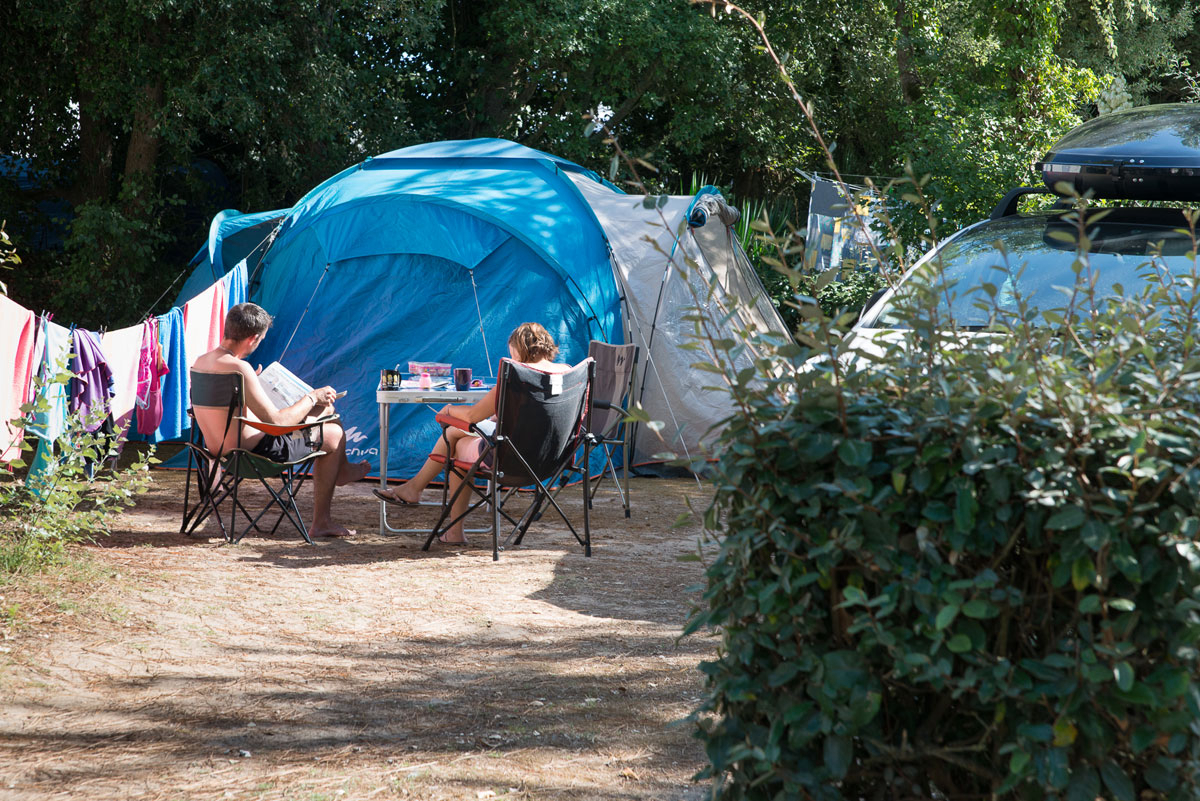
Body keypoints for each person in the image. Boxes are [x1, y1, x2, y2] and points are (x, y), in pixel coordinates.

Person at [374, 322, 571, 544]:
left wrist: (449, 410)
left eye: (512, 352)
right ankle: (416, 492)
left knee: (455, 438)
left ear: (519, 348)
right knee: (463, 433)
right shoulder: (569, 373)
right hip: (552, 460)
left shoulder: (515, 375)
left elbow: (471, 417)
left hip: (510, 459)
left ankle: (442, 518)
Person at [192, 302, 370, 538]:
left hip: (218, 453)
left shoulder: (201, 362)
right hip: (254, 455)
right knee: (331, 422)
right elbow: (276, 424)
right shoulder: (239, 369)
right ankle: (322, 520)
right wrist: (312, 396)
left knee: (325, 413)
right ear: (253, 338)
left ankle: (343, 469)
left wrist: (250, 385)